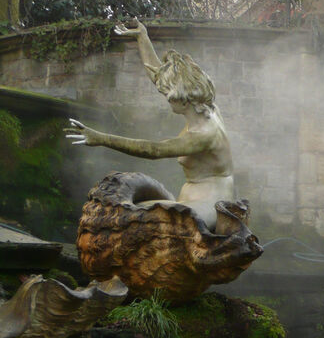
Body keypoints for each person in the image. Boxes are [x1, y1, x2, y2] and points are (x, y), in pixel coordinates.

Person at [65, 18, 233, 230]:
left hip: (211, 207)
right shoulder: (205, 104)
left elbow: (154, 150)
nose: (164, 96)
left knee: (141, 222)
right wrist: (142, 37)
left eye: (167, 95)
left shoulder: (204, 135)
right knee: (130, 212)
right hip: (191, 199)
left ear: (180, 100)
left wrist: (101, 138)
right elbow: (159, 76)